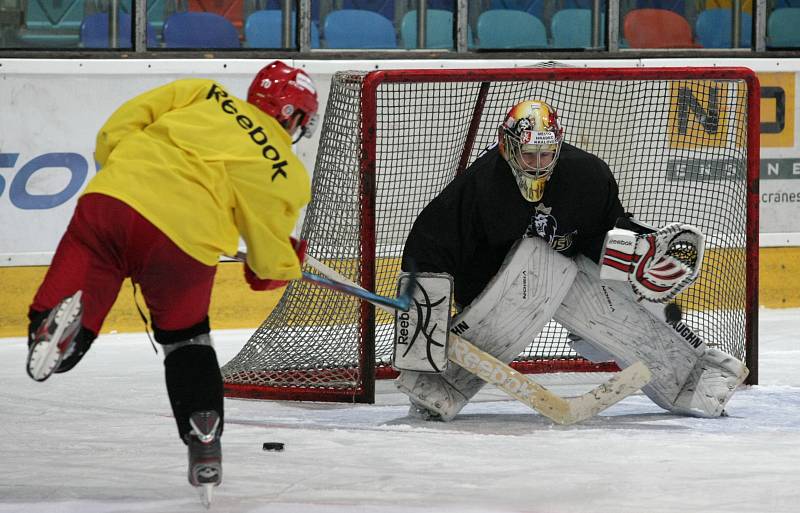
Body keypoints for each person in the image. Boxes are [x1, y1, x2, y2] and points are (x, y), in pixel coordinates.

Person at [24, 60, 318, 500]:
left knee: (82, 278)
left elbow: (120, 125)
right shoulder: (284, 171)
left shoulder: (205, 92)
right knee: (187, 340)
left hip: (112, 200)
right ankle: (203, 432)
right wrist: (285, 261)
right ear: (293, 115)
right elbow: (268, 264)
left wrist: (124, 165)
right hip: (181, 242)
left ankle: (58, 327)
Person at [396, 99, 748, 422]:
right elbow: (429, 246)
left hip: (560, 277)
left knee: (593, 294)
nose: (536, 165)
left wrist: (634, 253)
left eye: (545, 155)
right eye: (528, 155)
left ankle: (695, 377)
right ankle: (436, 385)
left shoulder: (587, 176)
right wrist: (425, 317)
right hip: (490, 287)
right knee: (537, 260)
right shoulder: (479, 187)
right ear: (507, 146)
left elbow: (601, 234)